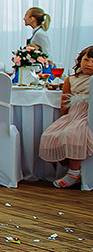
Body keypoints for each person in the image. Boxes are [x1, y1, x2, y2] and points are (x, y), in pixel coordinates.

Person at [40, 45, 93, 188]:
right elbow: (65, 102)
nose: (89, 64)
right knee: (50, 136)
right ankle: (72, 167)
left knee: (73, 135)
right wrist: (66, 118)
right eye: (86, 60)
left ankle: (74, 173)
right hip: (73, 115)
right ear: (80, 60)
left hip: (87, 116)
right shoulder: (71, 80)